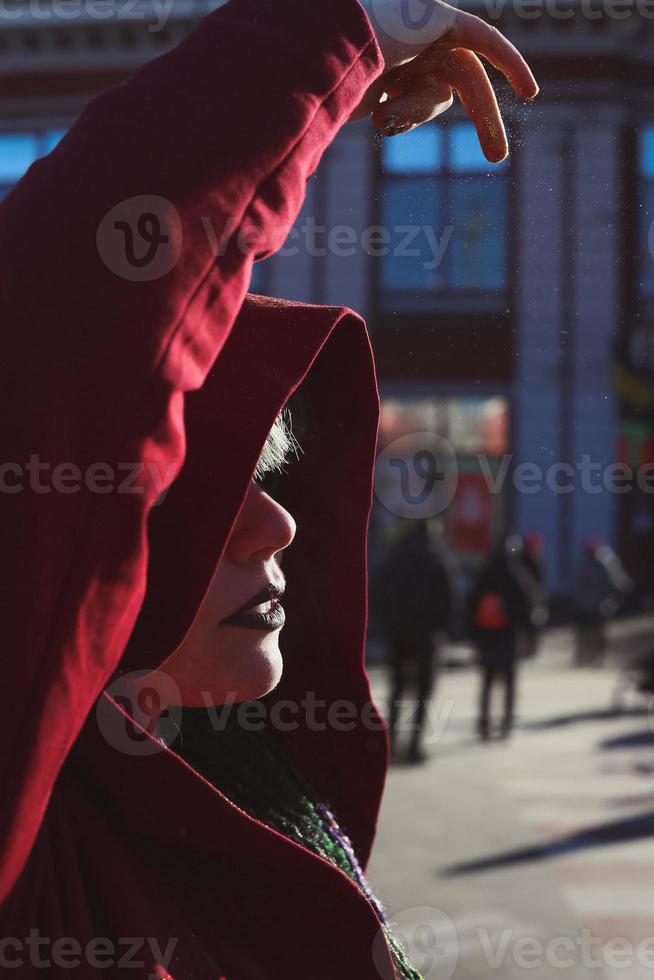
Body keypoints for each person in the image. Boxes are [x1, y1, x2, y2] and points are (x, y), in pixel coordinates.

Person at [0, 0, 537, 974]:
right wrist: (333, 30)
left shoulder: (261, 811)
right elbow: (64, 317)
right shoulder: (36, 864)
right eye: (196, 487)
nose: (277, 522)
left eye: (270, 472)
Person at [371, 520, 453, 764]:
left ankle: (391, 743)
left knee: (396, 689)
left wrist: (386, 624)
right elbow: (449, 599)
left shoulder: (395, 558)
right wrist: (441, 628)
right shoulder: (437, 558)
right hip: (426, 636)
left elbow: (377, 591)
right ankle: (414, 747)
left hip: (397, 633)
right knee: (423, 692)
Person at [466, 540, 533, 741]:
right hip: (507, 637)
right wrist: (526, 632)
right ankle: (506, 723)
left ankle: (484, 722)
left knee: (487, 681)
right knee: (509, 682)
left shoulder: (485, 575)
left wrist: (474, 634)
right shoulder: (516, 576)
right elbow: (525, 608)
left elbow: (471, 606)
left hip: (487, 637)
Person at [574, 537, 634, 667]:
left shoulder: (605, 561)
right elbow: (576, 582)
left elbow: (618, 581)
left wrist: (617, 594)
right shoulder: (584, 561)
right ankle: (584, 657)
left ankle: (595, 657)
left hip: (598, 603)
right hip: (587, 604)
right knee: (586, 630)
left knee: (596, 631)